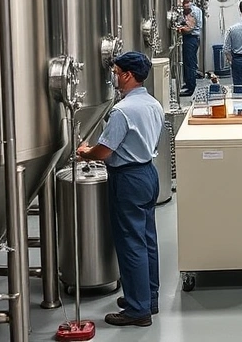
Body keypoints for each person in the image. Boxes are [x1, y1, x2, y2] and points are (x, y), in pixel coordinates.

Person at [76, 51, 165, 327]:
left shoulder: (122, 111)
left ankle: (138, 310)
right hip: (148, 174)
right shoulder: (153, 104)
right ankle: (148, 298)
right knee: (147, 239)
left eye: (116, 72)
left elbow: (104, 151)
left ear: (127, 75)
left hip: (127, 178)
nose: (114, 76)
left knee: (130, 244)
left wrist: (85, 152)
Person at [177, 0, 203, 97]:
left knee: (190, 63)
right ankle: (188, 83)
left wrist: (180, 28)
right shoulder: (196, 9)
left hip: (191, 38)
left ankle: (191, 87)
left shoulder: (191, 11)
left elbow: (190, 28)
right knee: (189, 62)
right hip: (192, 38)